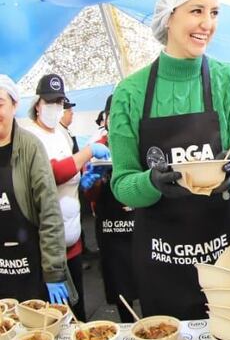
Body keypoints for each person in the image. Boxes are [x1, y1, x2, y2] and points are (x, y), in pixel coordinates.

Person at [109, 0, 230, 320]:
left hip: (226, 252)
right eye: (196, 11)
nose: (207, 23)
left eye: (215, 13)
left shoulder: (228, 78)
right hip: (163, 257)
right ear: (169, 16)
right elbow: (122, 184)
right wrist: (150, 183)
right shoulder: (130, 92)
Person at [21, 74, 108, 319]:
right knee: (55, 316)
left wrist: (85, 179)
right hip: (49, 248)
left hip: (73, 240)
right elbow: (52, 174)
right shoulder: (30, 137)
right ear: (37, 104)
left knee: (77, 309)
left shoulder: (61, 134)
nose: (55, 107)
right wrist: (89, 152)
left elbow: (70, 176)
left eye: (60, 102)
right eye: (50, 102)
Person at [0, 75, 73, 305]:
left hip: (33, 263)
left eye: (0, 103)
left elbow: (49, 211)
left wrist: (53, 271)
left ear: (15, 105)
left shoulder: (30, 147)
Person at [80, 95, 138, 322]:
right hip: (111, 227)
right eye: (113, 116)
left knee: (147, 277)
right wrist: (93, 181)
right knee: (119, 283)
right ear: (105, 119)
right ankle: (127, 323)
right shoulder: (97, 149)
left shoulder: (139, 144)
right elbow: (90, 194)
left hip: (139, 223)